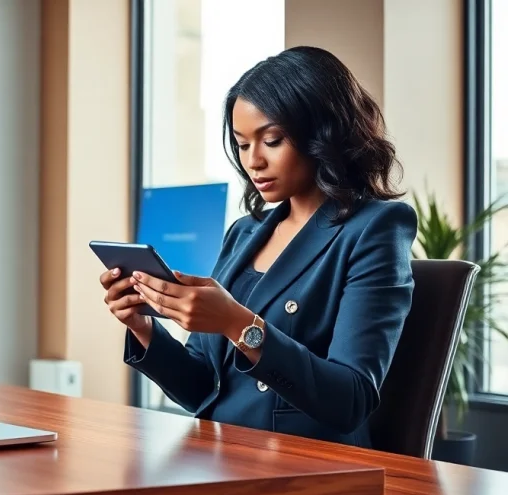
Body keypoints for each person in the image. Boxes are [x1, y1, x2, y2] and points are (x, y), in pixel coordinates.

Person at [100, 46, 417, 448]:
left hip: (306, 468)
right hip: (221, 458)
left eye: (272, 140)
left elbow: (349, 401)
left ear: (323, 132)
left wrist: (238, 324)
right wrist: (143, 327)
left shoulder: (375, 228)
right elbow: (202, 391)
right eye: (242, 144)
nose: (254, 161)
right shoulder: (245, 233)